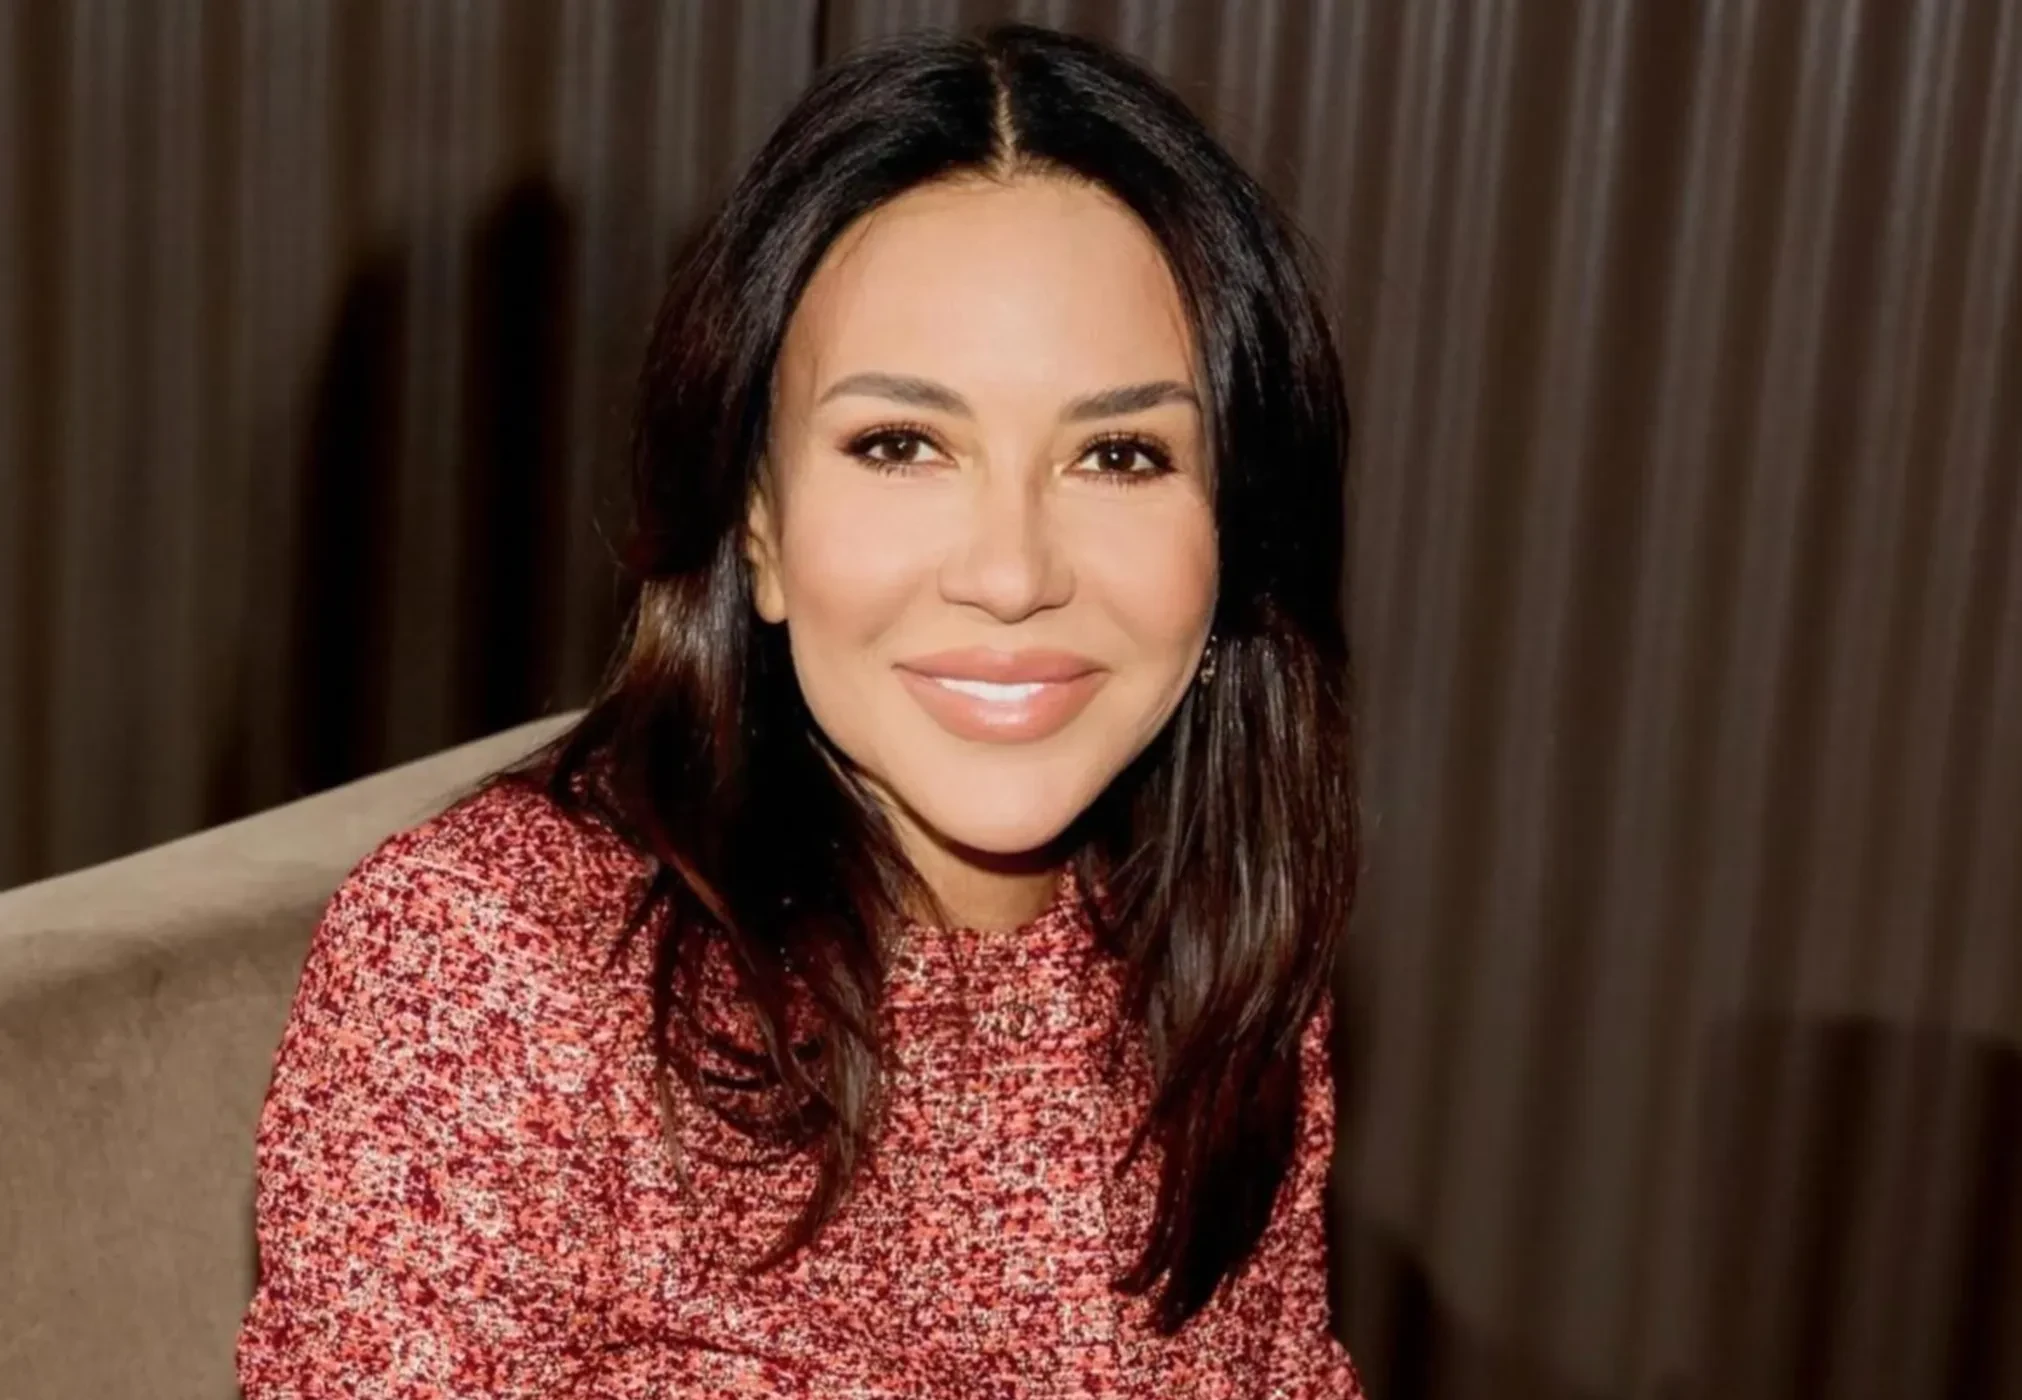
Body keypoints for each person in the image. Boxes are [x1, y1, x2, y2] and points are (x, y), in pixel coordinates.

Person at [236, 20, 1364, 1398]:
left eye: (1119, 455)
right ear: (756, 525)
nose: (1012, 573)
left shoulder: (1215, 968)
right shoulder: (496, 964)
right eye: (901, 445)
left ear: (1238, 538)